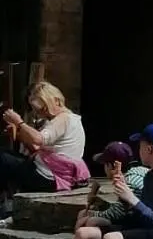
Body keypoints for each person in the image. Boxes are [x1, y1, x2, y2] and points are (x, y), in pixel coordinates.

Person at [0, 82, 88, 213]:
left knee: (2, 158)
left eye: (42, 110)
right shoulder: (68, 120)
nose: (41, 114)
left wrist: (19, 122)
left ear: (54, 101)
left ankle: (4, 203)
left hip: (49, 178)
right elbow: (36, 148)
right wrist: (19, 133)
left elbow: (39, 139)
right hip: (49, 172)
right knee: (5, 155)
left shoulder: (63, 119)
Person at [75, 141, 149, 239]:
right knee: (89, 217)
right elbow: (121, 206)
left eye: (105, 164)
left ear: (112, 166)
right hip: (133, 217)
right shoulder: (138, 171)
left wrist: (90, 216)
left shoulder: (129, 181)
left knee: (90, 222)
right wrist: (99, 204)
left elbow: (116, 213)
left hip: (137, 223)